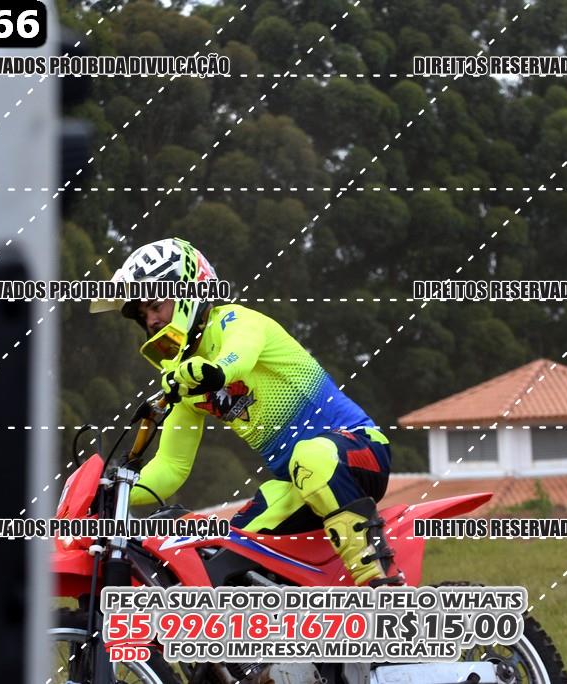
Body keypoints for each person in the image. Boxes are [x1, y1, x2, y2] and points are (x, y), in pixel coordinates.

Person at [90, 237, 403, 587]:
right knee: (228, 551)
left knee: (310, 457)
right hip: (298, 484)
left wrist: (216, 371)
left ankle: (380, 584)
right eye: (142, 315)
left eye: (154, 305)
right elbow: (171, 467)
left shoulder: (235, 321)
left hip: (360, 450)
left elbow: (238, 357)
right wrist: (111, 493)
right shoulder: (185, 378)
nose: (151, 320)